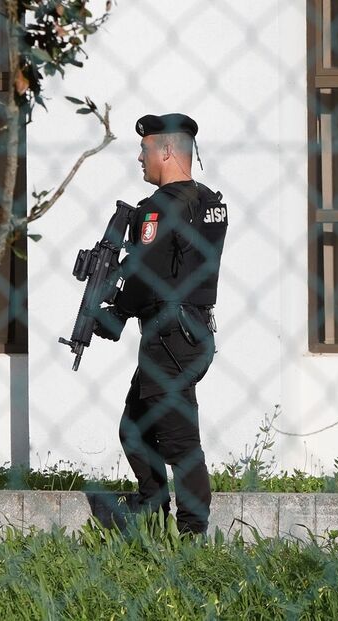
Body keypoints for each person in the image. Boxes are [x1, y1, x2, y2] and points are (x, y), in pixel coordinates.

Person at [93, 113, 228, 534]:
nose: (140, 158)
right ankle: (151, 510)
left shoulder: (157, 210)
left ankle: (191, 534)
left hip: (169, 340)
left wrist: (114, 313)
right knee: (134, 427)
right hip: (191, 333)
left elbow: (144, 275)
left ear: (167, 151)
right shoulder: (211, 203)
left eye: (145, 149)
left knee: (178, 441)